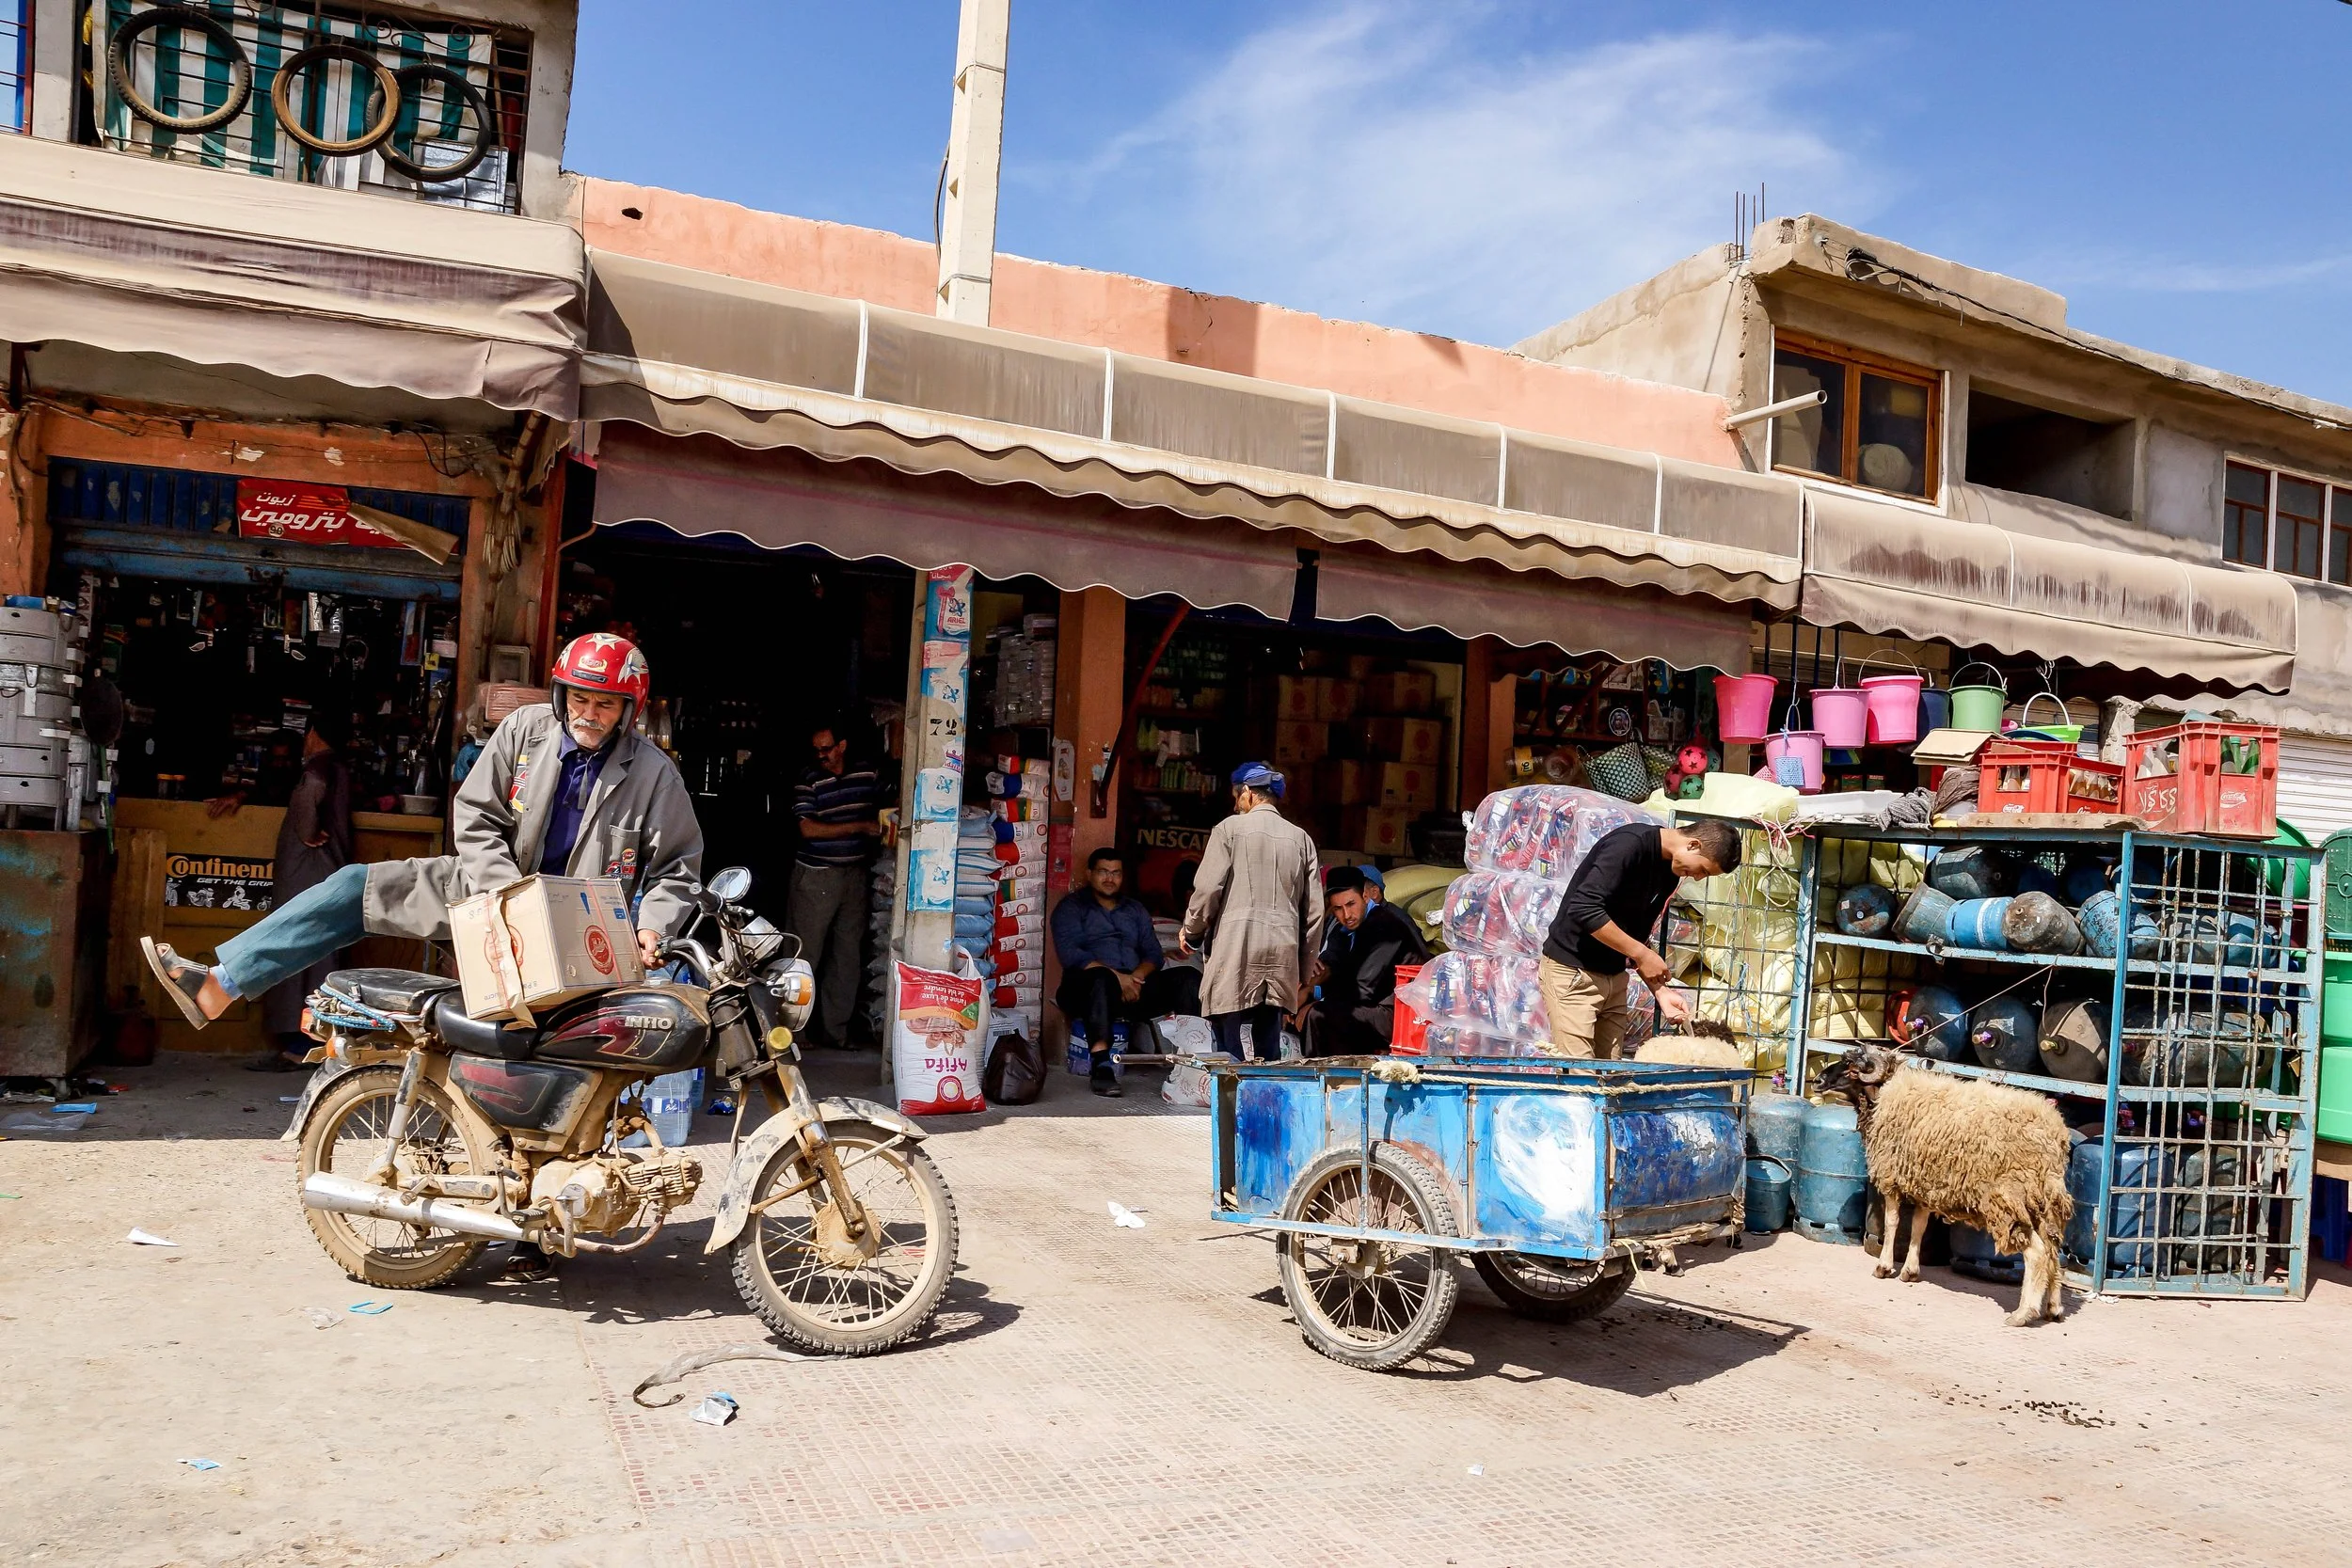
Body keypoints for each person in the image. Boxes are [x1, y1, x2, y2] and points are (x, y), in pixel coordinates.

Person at [140, 633, 705, 1036]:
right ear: (560, 697)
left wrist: (651, 927)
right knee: (354, 888)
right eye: (579, 699)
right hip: (489, 889)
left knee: (528, 1042)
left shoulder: (654, 772)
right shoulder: (524, 730)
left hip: (582, 929)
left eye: (605, 703)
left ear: (628, 711)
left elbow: (677, 867)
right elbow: (477, 816)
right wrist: (508, 896)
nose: (589, 713)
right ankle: (221, 982)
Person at [1537, 817, 1741, 1059]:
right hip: (1573, 974)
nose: (1697, 878)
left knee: (1609, 1075)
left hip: (1614, 978)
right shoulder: (1628, 844)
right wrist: (1643, 955)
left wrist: (1661, 991)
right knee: (1582, 1078)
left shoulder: (1670, 872)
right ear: (1693, 845)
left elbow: (1636, 935)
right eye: (1703, 870)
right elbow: (1584, 909)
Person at [1178, 762, 1321, 1064]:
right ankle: (1265, 1098)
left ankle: (1233, 1100)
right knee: (1268, 1033)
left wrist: (1191, 933)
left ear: (1248, 793)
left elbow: (1206, 891)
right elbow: (1314, 914)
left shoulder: (1229, 829)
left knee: (1228, 1031)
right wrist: (1304, 970)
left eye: (1236, 797)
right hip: (1283, 952)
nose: (1235, 804)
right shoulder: (1301, 839)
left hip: (1237, 947)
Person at [243, 715, 355, 1070]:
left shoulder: (320, 768)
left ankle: (299, 1044)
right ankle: (309, 1041)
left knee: (297, 948)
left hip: (310, 871)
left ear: (313, 734)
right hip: (323, 872)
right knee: (315, 950)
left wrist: (306, 830)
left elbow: (310, 792)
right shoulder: (336, 767)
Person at [1051, 846, 1202, 1097]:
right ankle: (1101, 1066)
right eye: (1103, 872)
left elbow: (1153, 953)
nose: (1110, 878)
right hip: (1085, 991)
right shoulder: (1072, 907)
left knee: (1188, 978)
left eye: (1116, 873)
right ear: (1089, 874)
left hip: (1134, 987)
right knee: (1100, 978)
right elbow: (1072, 954)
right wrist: (1118, 978)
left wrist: (1137, 977)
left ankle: (1189, 1060)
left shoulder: (1135, 910)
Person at [787, 720, 882, 1050]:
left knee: (847, 956)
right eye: (816, 751)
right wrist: (860, 826)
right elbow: (809, 830)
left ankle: (836, 1032)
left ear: (842, 746)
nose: (821, 756)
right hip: (816, 875)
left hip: (854, 874)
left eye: (826, 749)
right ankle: (792, 1032)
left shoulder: (867, 774)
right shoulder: (809, 779)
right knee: (804, 954)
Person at [1305, 864, 1428, 1056]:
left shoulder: (1385, 927)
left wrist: (1316, 1001)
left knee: (1319, 1014)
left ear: (1365, 896)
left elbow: (1363, 990)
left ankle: (1331, 1077)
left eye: (1351, 904)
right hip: (1373, 1007)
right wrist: (1308, 990)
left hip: (1402, 1015)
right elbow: (1334, 963)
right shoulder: (1343, 929)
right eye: (1338, 908)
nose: (1346, 915)